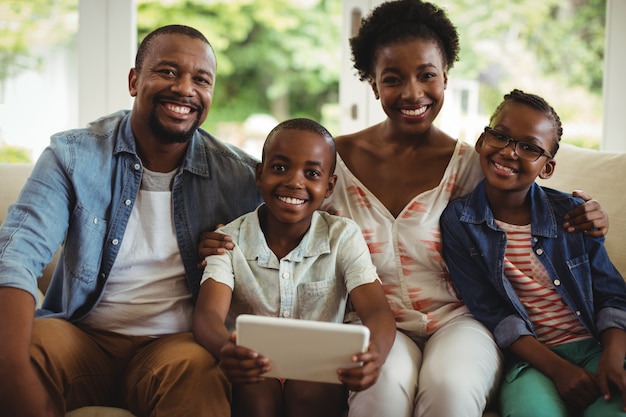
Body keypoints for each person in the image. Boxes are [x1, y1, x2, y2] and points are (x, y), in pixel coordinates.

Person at [198, 1, 609, 416]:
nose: (413, 93)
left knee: (450, 388)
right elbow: (274, 202)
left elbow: (528, 198)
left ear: (445, 77)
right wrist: (219, 239)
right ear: (374, 84)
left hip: (459, 322)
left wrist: (587, 210)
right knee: (379, 390)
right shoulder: (329, 161)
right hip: (373, 323)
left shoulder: (472, 165)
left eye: (427, 76)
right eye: (393, 79)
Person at [0, 25, 262, 417]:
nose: (184, 89)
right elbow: (16, 257)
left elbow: (296, 232)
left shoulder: (240, 176)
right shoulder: (72, 156)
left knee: (201, 370)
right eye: (168, 71)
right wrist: (12, 369)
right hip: (81, 337)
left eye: (201, 79)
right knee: (29, 344)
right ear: (134, 80)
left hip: (175, 347)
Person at [440, 89, 626, 417]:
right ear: (482, 141)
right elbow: (493, 312)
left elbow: (612, 295)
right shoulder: (459, 221)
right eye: (500, 136)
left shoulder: (573, 213)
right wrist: (559, 370)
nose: (510, 152)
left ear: (547, 167)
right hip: (532, 361)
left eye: (529, 147)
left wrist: (613, 356)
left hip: (598, 346)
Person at [192, 118, 396, 417]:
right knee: (257, 390)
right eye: (279, 168)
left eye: (311, 173)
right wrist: (226, 350)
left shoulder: (343, 236)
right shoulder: (228, 240)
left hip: (319, 374)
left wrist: (374, 356)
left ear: (329, 186)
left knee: (308, 389)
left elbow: (377, 311)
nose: (294, 182)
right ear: (259, 175)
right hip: (250, 368)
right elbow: (207, 314)